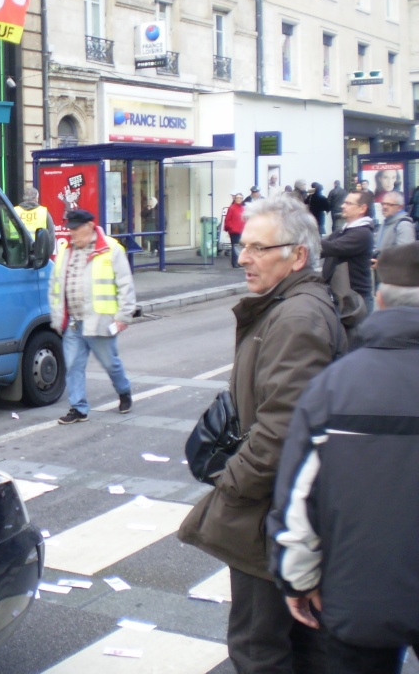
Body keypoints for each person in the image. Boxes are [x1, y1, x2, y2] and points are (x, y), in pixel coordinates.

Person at [178, 196, 343, 674]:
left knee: (258, 650)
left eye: (258, 248)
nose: (243, 257)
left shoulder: (296, 318)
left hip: (267, 518)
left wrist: (232, 484)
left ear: (298, 256)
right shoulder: (289, 309)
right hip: (276, 514)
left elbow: (282, 430)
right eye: (244, 246)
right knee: (297, 644)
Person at [268, 241, 419, 674]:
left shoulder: (336, 387)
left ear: (382, 298)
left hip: (360, 593)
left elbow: (299, 498)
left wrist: (297, 578)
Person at [49, 208, 135, 425]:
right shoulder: (66, 251)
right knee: (73, 366)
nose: (72, 233)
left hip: (100, 322)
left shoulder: (110, 249)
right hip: (74, 323)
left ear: (89, 226)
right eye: (70, 229)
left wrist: (123, 316)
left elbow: (125, 284)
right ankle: (78, 408)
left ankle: (124, 391)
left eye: (76, 229)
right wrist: (58, 317)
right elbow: (55, 286)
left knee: (110, 364)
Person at [321, 190, 375, 312]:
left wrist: (305, 242)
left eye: (348, 203)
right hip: (344, 297)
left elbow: (332, 247)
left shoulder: (362, 233)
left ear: (362, 208)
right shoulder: (344, 230)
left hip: (356, 301)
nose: (342, 206)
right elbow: (325, 243)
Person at [372, 190, 415, 285]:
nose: (384, 207)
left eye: (389, 204)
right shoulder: (385, 222)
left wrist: (382, 263)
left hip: (396, 281)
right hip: (383, 276)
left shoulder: (403, 225)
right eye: (383, 204)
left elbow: (405, 255)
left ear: (399, 207)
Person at [223, 193, 246, 268]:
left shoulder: (243, 208)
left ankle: (239, 262)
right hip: (234, 231)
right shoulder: (232, 208)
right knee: (235, 246)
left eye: (240, 198)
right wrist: (231, 227)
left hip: (241, 230)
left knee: (240, 247)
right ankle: (235, 262)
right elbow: (228, 219)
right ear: (235, 199)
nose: (239, 199)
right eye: (237, 198)